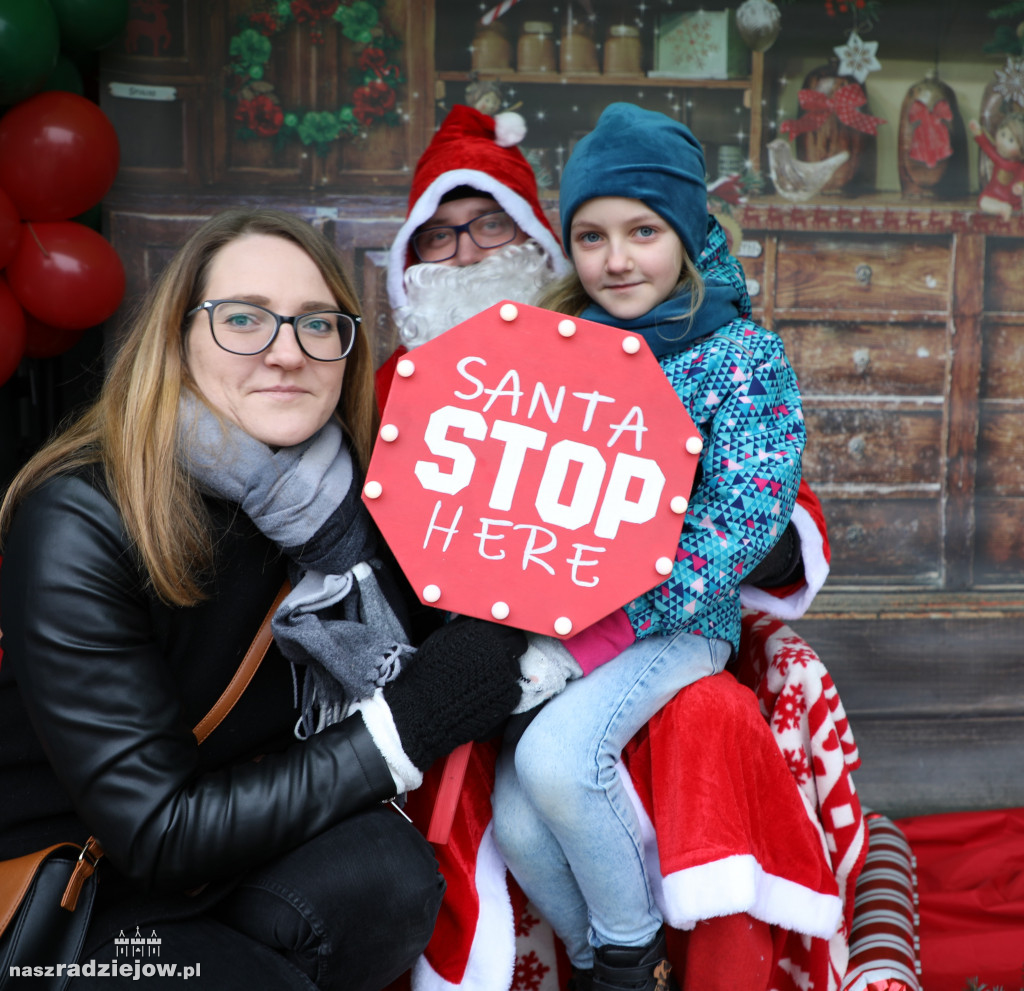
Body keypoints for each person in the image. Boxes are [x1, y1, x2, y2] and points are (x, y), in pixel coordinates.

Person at [0, 208, 528, 990]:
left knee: (389, 876)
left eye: (318, 324)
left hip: (227, 856)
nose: (287, 352)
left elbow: (458, 635)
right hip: (77, 881)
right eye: (244, 318)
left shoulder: (355, 502)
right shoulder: (80, 516)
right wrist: (401, 729)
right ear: (179, 339)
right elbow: (157, 828)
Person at [489, 103, 807, 991]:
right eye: (591, 235)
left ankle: (636, 964)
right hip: (560, 619)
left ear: (689, 229)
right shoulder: (556, 349)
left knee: (558, 761)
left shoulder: (741, 356)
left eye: (643, 230)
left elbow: (741, 522)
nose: (615, 259)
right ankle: (603, 964)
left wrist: (612, 620)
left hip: (675, 621)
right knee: (516, 813)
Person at [968, 113, 1024, 220]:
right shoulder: (997, 158)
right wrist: (977, 131)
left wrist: (1020, 187)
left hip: (1011, 198)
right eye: (1002, 135)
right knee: (983, 201)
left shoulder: (1020, 166)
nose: (1003, 142)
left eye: (1011, 140)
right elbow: (986, 145)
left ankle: (1005, 207)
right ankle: (1001, 207)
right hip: (993, 194)